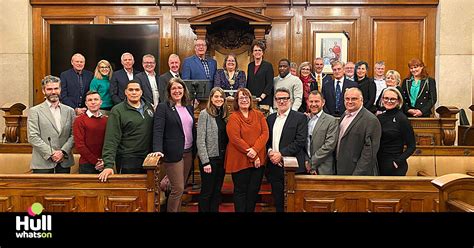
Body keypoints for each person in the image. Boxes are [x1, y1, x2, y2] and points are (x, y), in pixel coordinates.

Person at [149, 78, 196, 212]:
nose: (177, 91)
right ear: (169, 91)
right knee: (178, 188)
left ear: (184, 90)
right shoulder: (164, 107)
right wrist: (157, 149)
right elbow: (158, 129)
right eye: (174, 88)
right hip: (173, 153)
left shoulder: (188, 107)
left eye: (180, 88)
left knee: (181, 189)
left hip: (188, 152)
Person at [99, 80, 154, 182]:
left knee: (148, 194)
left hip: (149, 159)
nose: (134, 92)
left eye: (137, 90)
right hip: (128, 159)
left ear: (141, 92)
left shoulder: (149, 107)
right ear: (125, 92)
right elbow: (111, 139)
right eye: (131, 90)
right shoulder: (117, 111)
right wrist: (108, 165)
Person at [225, 88, 269, 212]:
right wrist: (253, 155)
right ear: (236, 101)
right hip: (240, 159)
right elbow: (235, 139)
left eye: (246, 97)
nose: (244, 100)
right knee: (241, 191)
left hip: (258, 159)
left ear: (251, 100)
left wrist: (255, 150)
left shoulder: (259, 114)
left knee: (253, 191)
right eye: (241, 98)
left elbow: (265, 134)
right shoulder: (234, 117)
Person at [266, 87, 307, 212]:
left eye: (284, 98)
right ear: (275, 101)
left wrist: (281, 154)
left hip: (292, 167)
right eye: (279, 99)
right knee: (278, 201)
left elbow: (300, 141)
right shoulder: (271, 118)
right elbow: (266, 140)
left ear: (290, 100)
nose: (281, 101)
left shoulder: (299, 117)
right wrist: (270, 152)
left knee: (292, 203)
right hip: (273, 166)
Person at [27, 75, 75, 173]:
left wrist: (62, 152)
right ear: (43, 91)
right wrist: (52, 153)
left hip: (64, 162)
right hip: (43, 164)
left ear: (60, 89)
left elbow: (74, 135)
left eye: (56, 88)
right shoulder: (35, 111)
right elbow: (33, 137)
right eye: (49, 89)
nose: (53, 92)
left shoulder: (69, 111)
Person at [196, 87, 229, 212]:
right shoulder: (205, 114)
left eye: (221, 97)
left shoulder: (224, 115)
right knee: (207, 192)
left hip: (222, 159)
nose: (219, 99)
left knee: (217, 191)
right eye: (216, 96)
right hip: (209, 160)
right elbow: (200, 140)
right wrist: (205, 161)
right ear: (211, 98)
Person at [336, 88, 381, 175]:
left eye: (354, 99)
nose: (349, 102)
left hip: (358, 173)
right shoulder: (344, 115)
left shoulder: (371, 120)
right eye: (347, 99)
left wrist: (357, 175)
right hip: (342, 169)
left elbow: (369, 153)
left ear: (361, 100)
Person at [377, 87, 416, 176]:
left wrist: (398, 161)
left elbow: (411, 146)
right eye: (386, 98)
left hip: (394, 166)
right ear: (382, 99)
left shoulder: (402, 119)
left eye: (393, 99)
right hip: (378, 164)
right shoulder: (379, 118)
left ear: (398, 101)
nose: (389, 101)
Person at [73, 91, 108, 174]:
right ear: (86, 103)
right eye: (90, 100)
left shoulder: (106, 120)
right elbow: (79, 145)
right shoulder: (79, 120)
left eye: (96, 99)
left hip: (104, 163)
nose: (93, 102)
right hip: (86, 164)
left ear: (101, 102)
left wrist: (104, 160)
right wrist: (96, 161)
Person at [306, 90, 338, 175]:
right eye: (311, 101)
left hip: (323, 168)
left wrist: (312, 163)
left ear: (323, 102)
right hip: (305, 167)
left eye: (316, 101)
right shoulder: (304, 120)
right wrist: (306, 161)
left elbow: (329, 146)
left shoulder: (331, 121)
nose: (313, 104)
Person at [246, 40, 274, 107]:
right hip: (252, 100)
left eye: (259, 50)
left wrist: (261, 97)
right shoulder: (250, 65)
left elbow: (269, 84)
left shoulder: (268, 66)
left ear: (263, 52)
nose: (257, 52)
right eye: (255, 50)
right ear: (252, 52)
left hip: (265, 100)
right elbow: (249, 82)